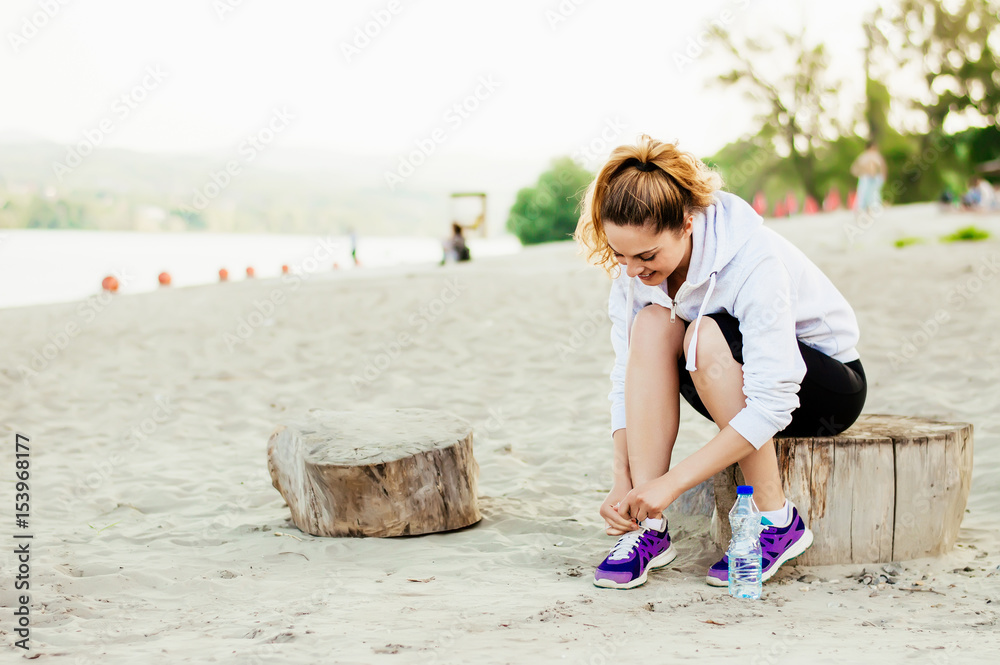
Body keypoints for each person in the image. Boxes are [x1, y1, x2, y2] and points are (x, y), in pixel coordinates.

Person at [573, 135, 867, 590]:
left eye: (647, 255)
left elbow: (773, 402)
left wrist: (672, 483)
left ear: (687, 224)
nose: (633, 269)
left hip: (824, 386)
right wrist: (623, 480)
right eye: (620, 255)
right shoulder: (634, 275)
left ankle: (776, 521)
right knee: (651, 325)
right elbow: (624, 379)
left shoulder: (752, 257)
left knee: (705, 333)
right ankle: (647, 525)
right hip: (724, 374)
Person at [850, 141, 887, 216]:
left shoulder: (877, 155)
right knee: (863, 193)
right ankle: (862, 209)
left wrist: (882, 176)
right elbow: (855, 167)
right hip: (866, 177)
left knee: (874, 193)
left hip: (875, 177)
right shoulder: (864, 156)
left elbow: (882, 166)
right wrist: (860, 173)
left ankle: (874, 208)